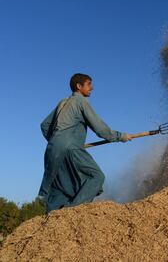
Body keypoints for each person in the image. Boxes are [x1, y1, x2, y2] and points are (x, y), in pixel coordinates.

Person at [38, 73, 133, 213]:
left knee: (61, 188)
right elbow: (101, 129)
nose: (92, 88)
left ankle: (51, 224)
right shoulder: (81, 102)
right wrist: (121, 136)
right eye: (89, 84)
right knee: (96, 176)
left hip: (51, 150)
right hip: (70, 148)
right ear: (79, 86)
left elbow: (44, 126)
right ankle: (72, 214)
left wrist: (57, 141)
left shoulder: (63, 102)